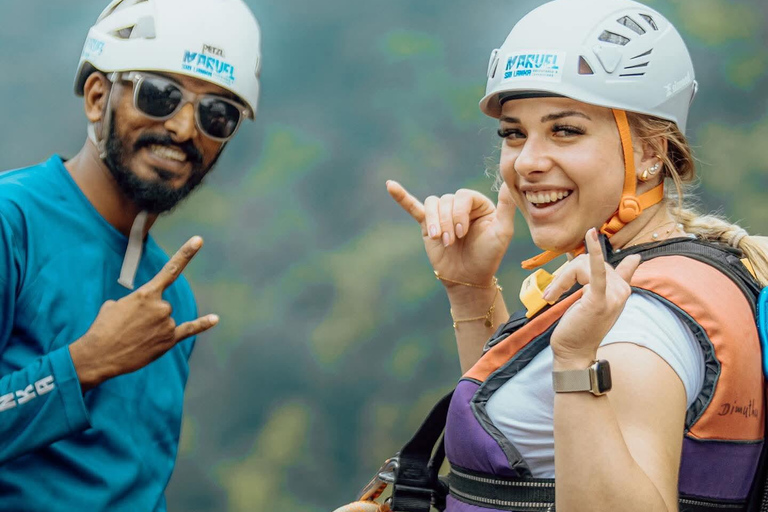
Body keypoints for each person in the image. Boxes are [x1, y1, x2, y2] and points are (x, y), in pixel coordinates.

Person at [337, 0, 768, 511]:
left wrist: (577, 361)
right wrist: (471, 290)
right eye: (514, 133)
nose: (528, 162)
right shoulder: (669, 274)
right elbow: (521, 442)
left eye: (566, 130)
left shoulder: (637, 317)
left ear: (651, 152)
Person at [0, 0, 261, 510]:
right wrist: (82, 365)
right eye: (161, 95)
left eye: (217, 114)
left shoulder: (172, 297)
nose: (186, 130)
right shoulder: (13, 222)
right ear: (98, 97)